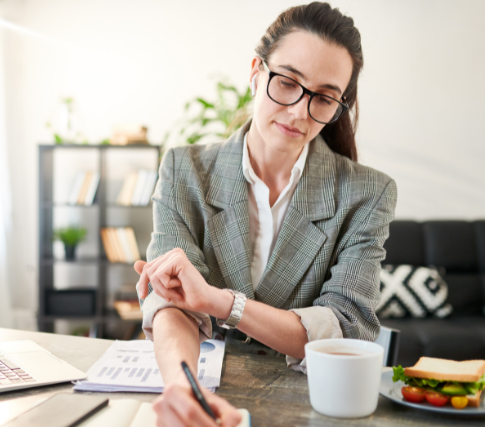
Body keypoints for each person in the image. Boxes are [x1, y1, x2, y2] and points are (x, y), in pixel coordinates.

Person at [134, 3, 397, 426]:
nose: (298, 112)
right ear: (256, 71)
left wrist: (221, 302)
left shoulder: (367, 193)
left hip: (308, 405)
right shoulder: (184, 169)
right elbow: (172, 300)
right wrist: (185, 394)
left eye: (325, 98)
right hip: (200, 383)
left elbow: (344, 328)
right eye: (288, 82)